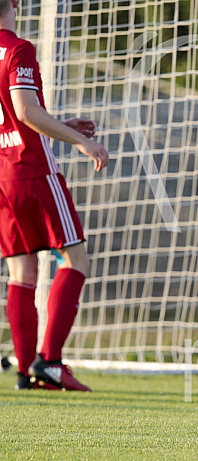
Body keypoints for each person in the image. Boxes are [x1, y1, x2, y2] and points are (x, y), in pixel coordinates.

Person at [0, 0, 109, 391]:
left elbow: (12, 117)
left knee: (21, 272)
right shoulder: (17, 49)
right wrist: (80, 140)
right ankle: (50, 360)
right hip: (32, 170)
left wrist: (60, 124)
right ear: (14, 3)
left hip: (2, 175)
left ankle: (27, 371)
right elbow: (25, 111)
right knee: (75, 258)